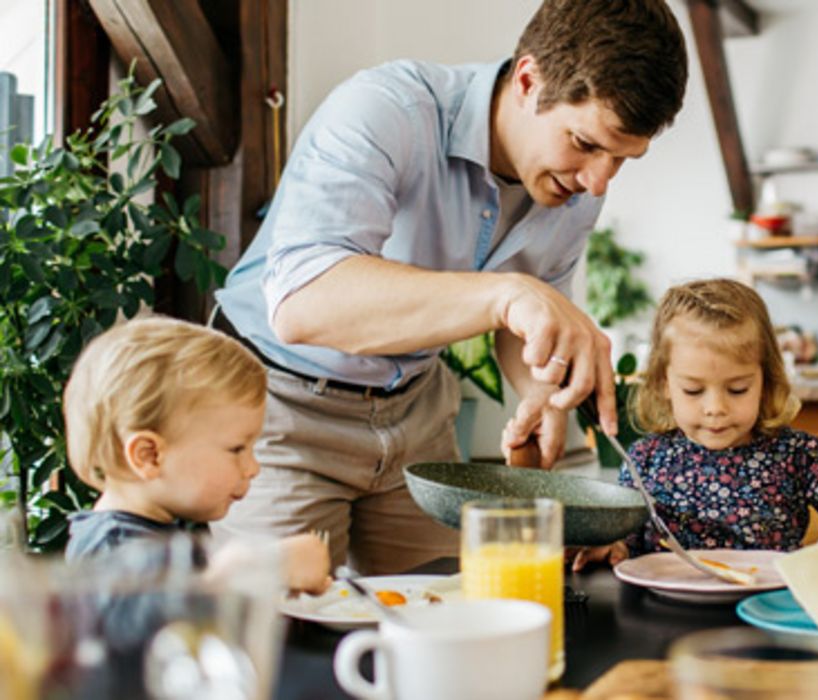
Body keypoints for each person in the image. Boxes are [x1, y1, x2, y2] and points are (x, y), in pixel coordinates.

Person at [210, 0, 689, 573]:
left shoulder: (578, 183)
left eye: (622, 159)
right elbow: (302, 303)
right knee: (281, 640)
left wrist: (537, 391)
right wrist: (505, 295)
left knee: (446, 617)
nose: (596, 182)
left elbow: (526, 319)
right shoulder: (386, 110)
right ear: (529, 80)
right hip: (275, 407)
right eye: (585, 144)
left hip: (416, 413)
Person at [574, 279, 818, 570]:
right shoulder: (644, 459)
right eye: (693, 390)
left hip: (768, 605)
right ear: (664, 383)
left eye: (738, 389)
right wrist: (615, 546)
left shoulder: (802, 455)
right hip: (669, 609)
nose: (716, 409)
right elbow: (629, 539)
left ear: (765, 381)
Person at [62, 316, 330, 594]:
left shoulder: (158, 534)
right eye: (237, 449)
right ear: (149, 455)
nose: (253, 468)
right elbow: (162, 623)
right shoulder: (114, 551)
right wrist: (262, 566)